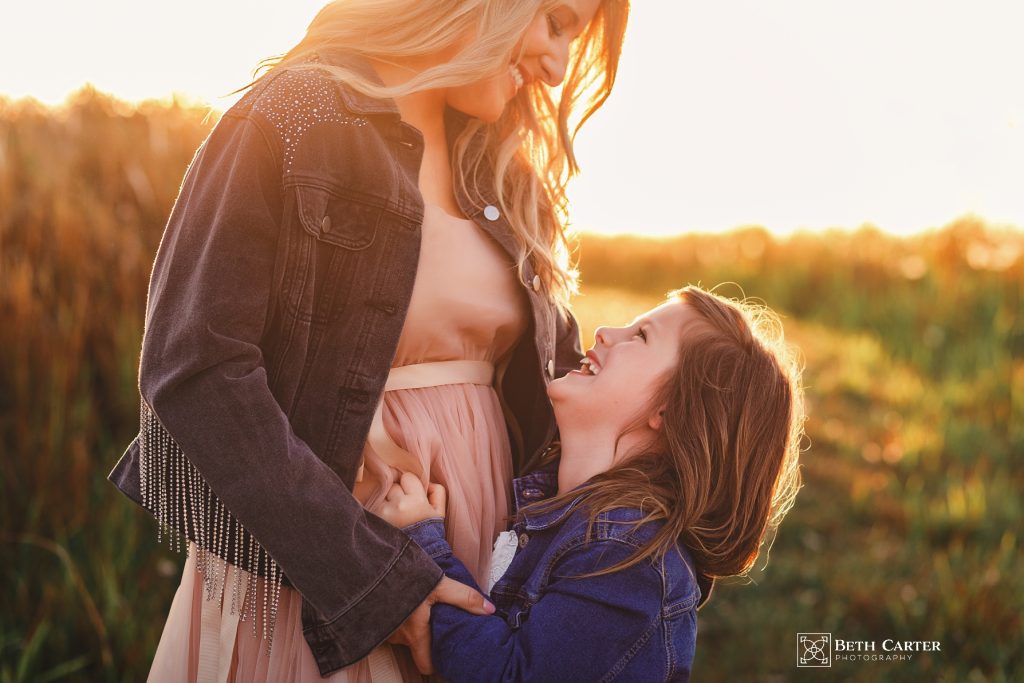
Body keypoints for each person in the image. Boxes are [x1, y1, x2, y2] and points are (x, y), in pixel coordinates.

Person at [105, 0, 630, 680]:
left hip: (472, 552)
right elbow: (195, 368)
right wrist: (377, 581)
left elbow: (555, 388)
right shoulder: (293, 115)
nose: (559, 68)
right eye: (557, 21)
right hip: (327, 572)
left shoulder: (501, 165)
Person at [379, 286, 805, 682]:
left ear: (670, 408)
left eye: (640, 336)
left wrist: (422, 552)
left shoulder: (627, 556)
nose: (604, 331)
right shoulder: (564, 514)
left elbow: (510, 675)